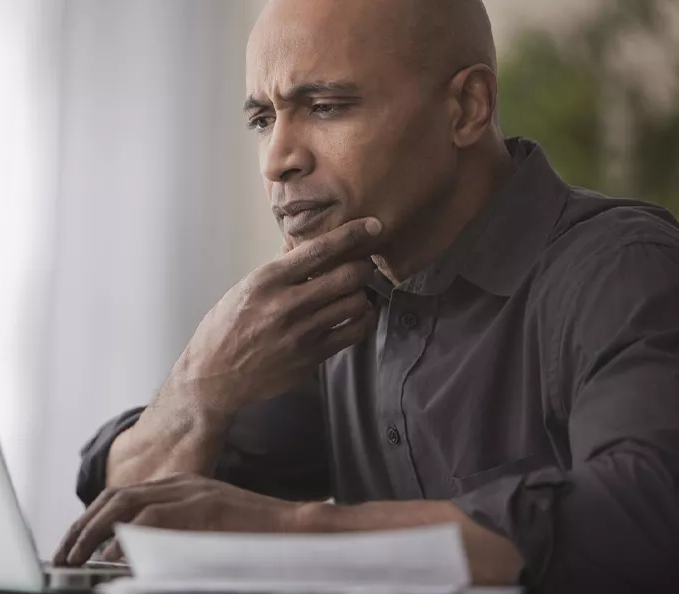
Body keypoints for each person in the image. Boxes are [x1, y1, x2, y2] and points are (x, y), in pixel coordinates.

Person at [54, 0, 679, 591]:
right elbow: (130, 519)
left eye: (324, 106)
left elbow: (648, 510)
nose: (278, 160)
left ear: (467, 107)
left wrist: (296, 530)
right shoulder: (339, 306)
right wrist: (198, 388)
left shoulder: (621, 268)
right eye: (263, 119)